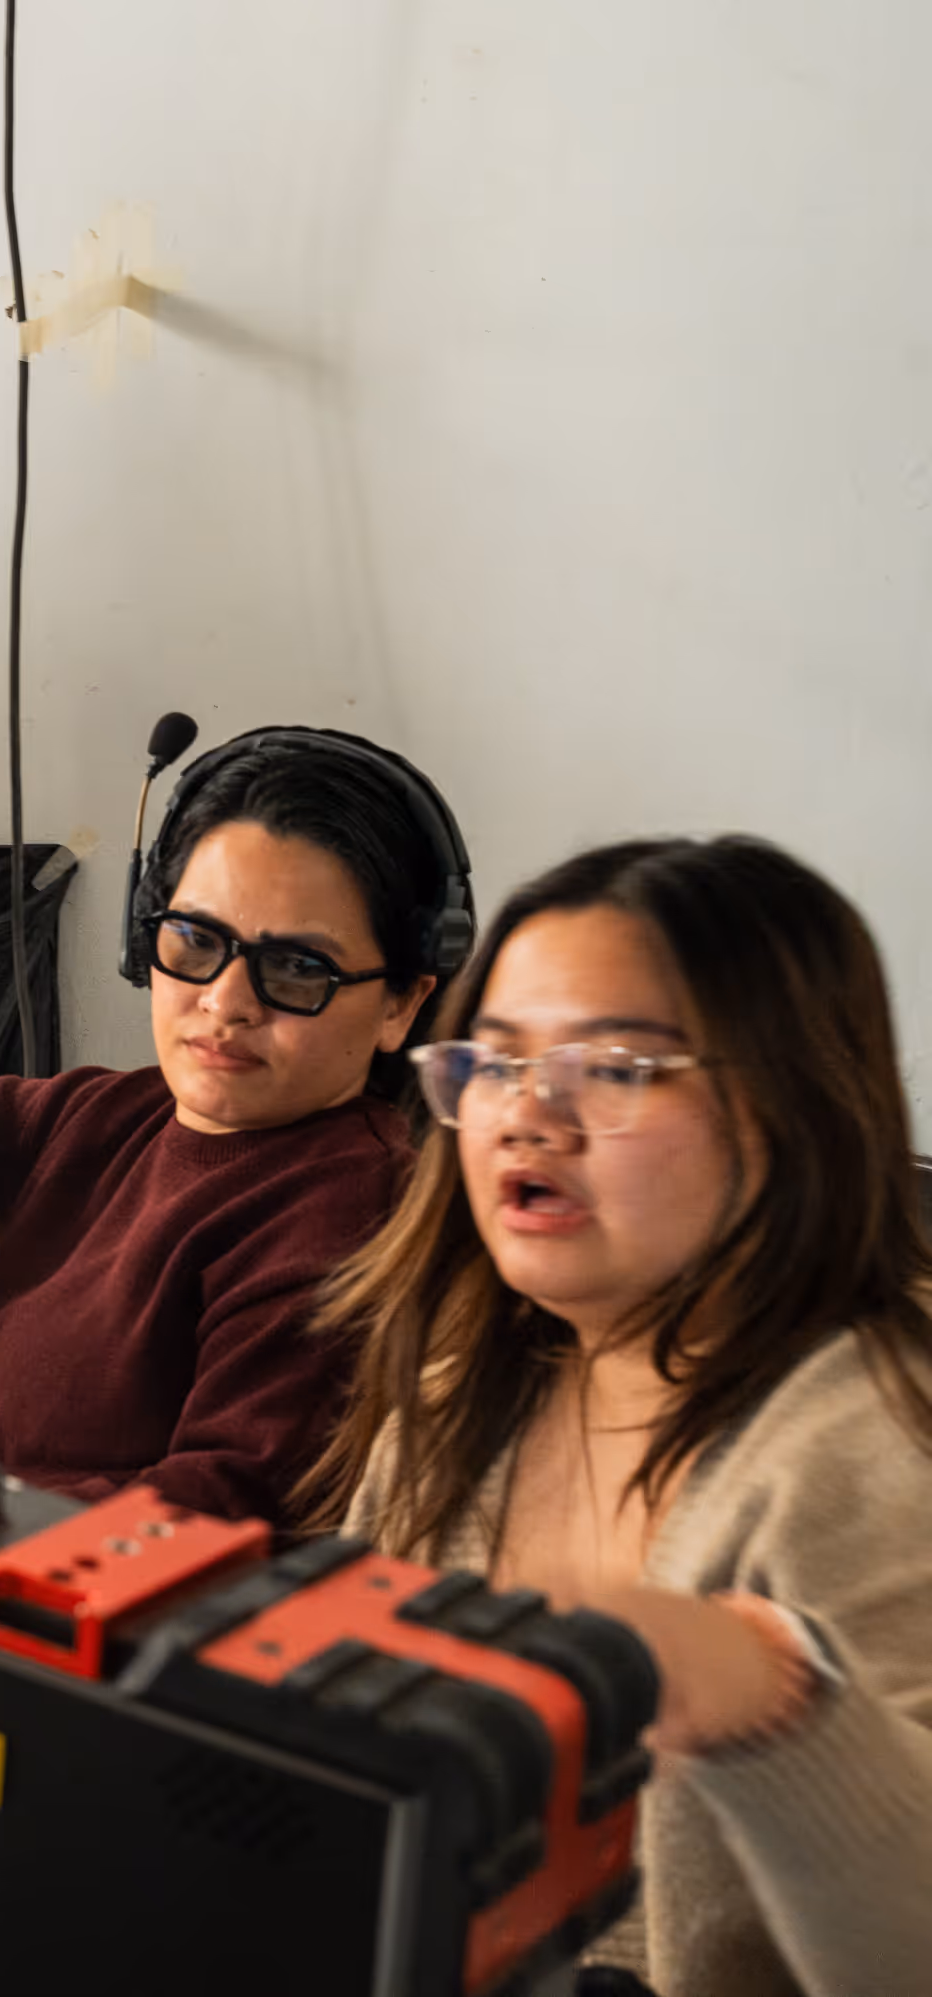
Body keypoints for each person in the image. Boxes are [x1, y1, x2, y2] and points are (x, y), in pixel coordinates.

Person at [309, 837, 932, 1997]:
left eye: (612, 1066)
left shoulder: (874, 1449)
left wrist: (770, 1694)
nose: (525, 1115)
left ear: (785, 1108)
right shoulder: (454, 1394)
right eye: (494, 1062)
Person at [0, 727, 468, 1526]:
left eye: (299, 968)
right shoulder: (116, 1113)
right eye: (195, 940)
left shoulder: (344, 1210)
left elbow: (220, 1501)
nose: (226, 1001)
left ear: (402, 1004)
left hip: (43, 1582)